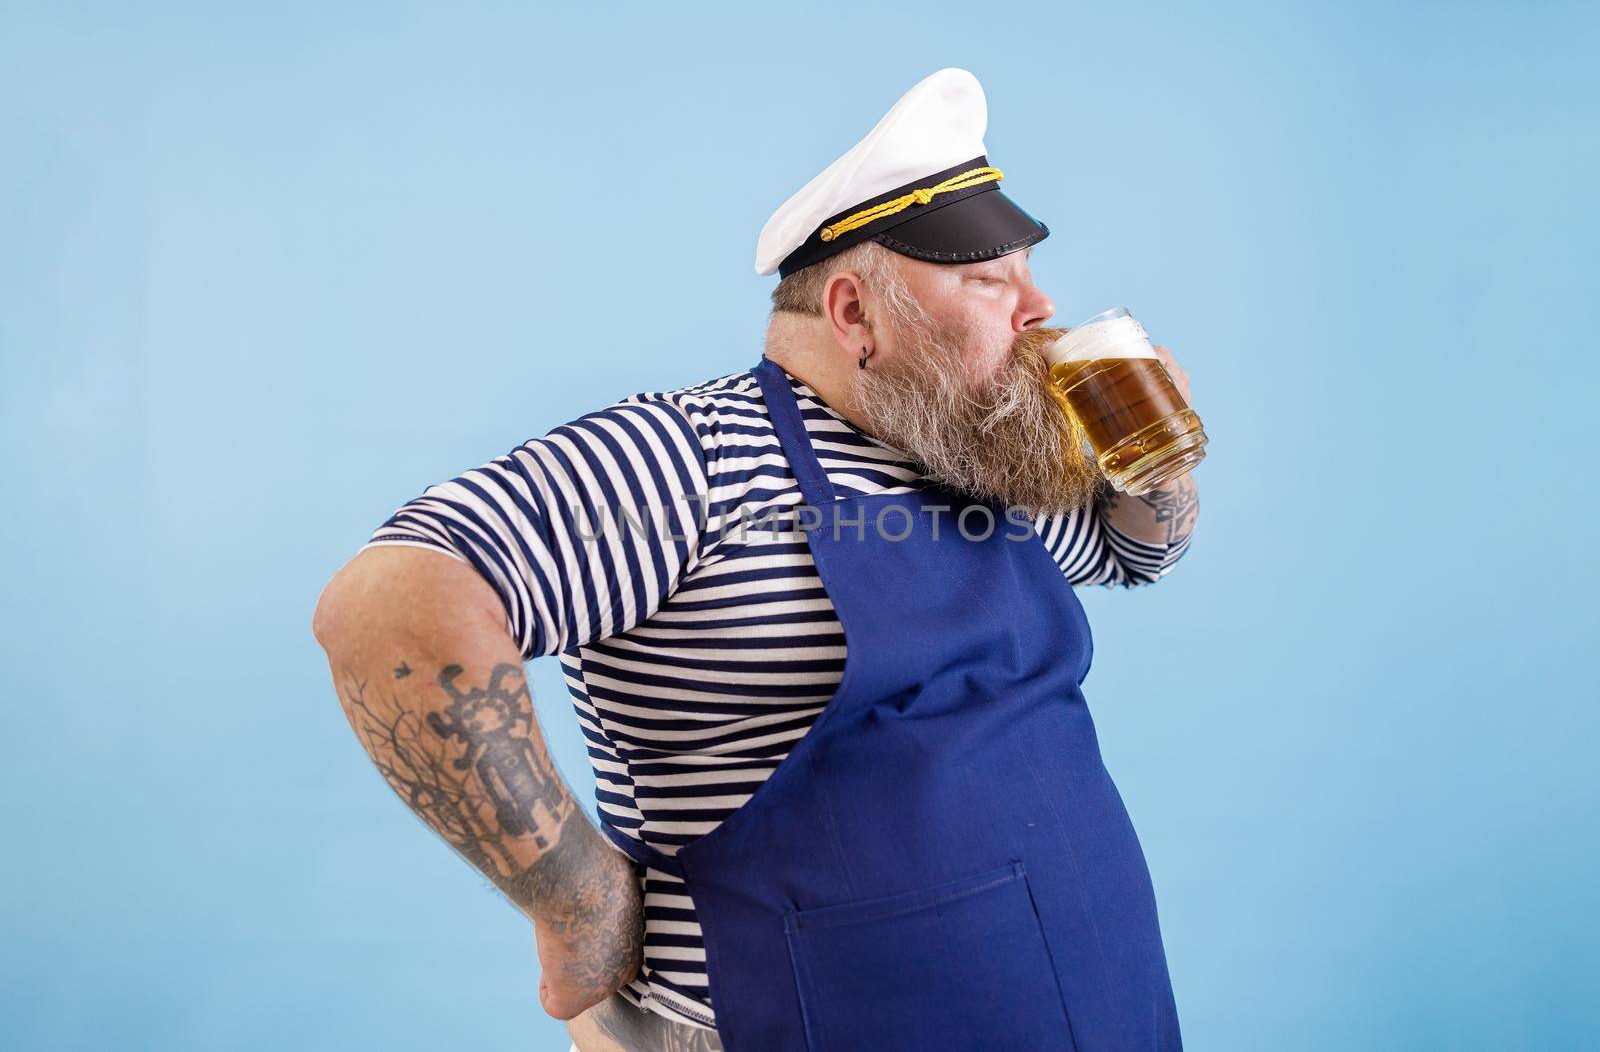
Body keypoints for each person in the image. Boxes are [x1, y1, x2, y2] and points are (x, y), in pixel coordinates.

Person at [313, 67, 1197, 1052]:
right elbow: (385, 603)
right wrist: (574, 897)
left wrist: (1152, 457)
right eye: (991, 279)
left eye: (1028, 274)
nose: (1037, 307)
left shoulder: (972, 460)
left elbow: (1134, 551)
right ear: (855, 314)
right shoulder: (688, 459)